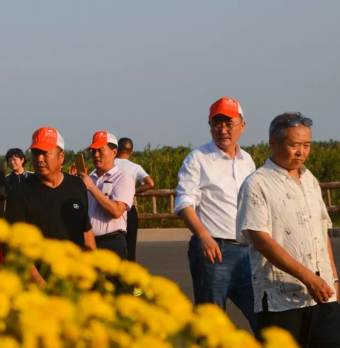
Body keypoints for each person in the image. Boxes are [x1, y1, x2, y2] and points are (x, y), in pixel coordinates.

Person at [237, 113, 339, 346]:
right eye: (294, 145)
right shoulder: (257, 183)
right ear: (273, 143)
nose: (301, 152)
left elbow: (321, 232)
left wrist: (333, 279)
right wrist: (308, 278)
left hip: (324, 296)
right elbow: (261, 240)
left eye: (307, 145)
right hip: (279, 300)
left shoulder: (310, 180)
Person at [174, 97, 257, 333]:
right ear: (209, 125)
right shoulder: (197, 158)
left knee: (264, 318)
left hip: (248, 254)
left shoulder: (247, 161)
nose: (223, 130)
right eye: (216, 124)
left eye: (229, 123)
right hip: (214, 252)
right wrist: (203, 236)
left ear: (242, 125)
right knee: (212, 329)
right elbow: (184, 202)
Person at [7, 127, 96, 285]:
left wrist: (92, 272)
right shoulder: (19, 192)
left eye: (45, 153)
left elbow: (86, 231)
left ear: (61, 156)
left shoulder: (77, 186)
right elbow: (16, 246)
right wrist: (40, 283)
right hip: (39, 283)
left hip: (75, 280)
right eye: (35, 153)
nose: (39, 159)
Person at [74, 132, 135, 261]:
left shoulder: (123, 178)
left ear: (114, 152)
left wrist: (92, 188)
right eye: (93, 151)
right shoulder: (89, 179)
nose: (96, 155)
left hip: (111, 243)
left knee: (113, 282)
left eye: (100, 150)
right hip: (89, 244)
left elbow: (117, 211)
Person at [114, 137, 155, 262]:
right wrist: (133, 192)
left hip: (112, 208)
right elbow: (150, 183)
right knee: (130, 246)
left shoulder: (109, 164)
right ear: (131, 152)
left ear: (116, 150)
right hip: (129, 209)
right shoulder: (135, 167)